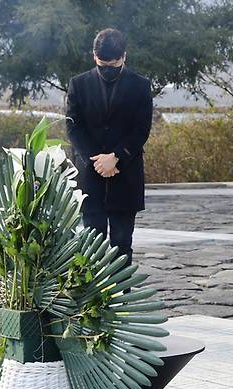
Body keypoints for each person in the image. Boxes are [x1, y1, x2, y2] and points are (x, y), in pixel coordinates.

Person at [66, 28, 152, 272]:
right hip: (90, 176)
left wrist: (115, 157)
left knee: (122, 242)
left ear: (123, 57)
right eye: (103, 64)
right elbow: (74, 128)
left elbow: (141, 130)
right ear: (95, 57)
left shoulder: (141, 85)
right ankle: (94, 301)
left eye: (113, 64)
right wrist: (96, 160)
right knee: (91, 245)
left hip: (125, 174)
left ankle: (121, 299)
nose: (108, 69)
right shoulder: (78, 84)